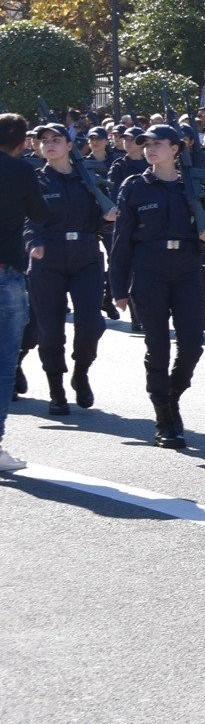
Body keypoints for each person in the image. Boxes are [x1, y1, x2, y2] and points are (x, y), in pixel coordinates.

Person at [108, 125, 205, 449]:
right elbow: (122, 242)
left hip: (186, 272)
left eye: (158, 143)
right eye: (146, 144)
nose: (150, 149)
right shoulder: (134, 187)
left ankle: (172, 394)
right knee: (157, 348)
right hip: (149, 273)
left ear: (175, 148)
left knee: (193, 345)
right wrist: (118, 287)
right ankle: (163, 418)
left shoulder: (193, 185)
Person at [26, 124, 114, 416]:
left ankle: (81, 371)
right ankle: (56, 389)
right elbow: (27, 222)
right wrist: (33, 243)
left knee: (91, 323)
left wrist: (111, 219)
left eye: (56, 140)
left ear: (69, 145)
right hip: (47, 259)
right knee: (50, 330)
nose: (49, 145)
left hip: (86, 257)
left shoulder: (89, 180)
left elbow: (103, 222)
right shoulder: (35, 182)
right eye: (44, 141)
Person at [0, 115, 51, 473]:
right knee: (3, 365)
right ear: (22, 143)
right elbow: (40, 214)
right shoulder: (21, 171)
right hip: (6, 273)